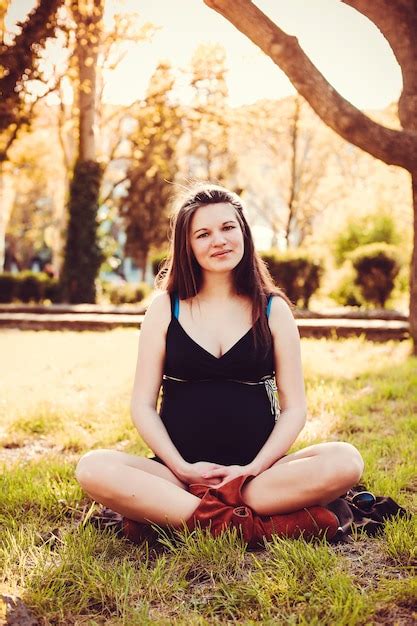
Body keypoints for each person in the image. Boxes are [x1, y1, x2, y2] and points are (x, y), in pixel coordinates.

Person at [75, 184, 364, 546]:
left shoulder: (274, 310)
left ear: (243, 231)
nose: (219, 241)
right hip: (177, 477)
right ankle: (257, 527)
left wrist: (253, 469)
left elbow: (294, 410)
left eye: (228, 228)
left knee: (345, 460)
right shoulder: (165, 308)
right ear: (188, 245)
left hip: (259, 479)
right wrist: (181, 468)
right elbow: (142, 405)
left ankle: (179, 518)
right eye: (203, 233)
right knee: (92, 467)